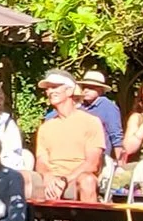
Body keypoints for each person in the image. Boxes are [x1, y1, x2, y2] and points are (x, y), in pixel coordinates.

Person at [30, 71, 108, 203]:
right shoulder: (45, 127)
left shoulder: (91, 122)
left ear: (69, 90)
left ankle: (90, 216)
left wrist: (64, 180)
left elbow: (92, 164)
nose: (50, 91)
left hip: (77, 178)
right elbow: (41, 161)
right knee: (21, 177)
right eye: (48, 88)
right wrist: (48, 176)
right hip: (52, 178)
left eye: (55, 87)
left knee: (87, 180)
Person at [76, 69, 127, 153]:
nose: (86, 90)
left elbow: (116, 136)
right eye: (84, 87)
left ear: (100, 90)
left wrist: (119, 159)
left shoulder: (108, 107)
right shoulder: (79, 106)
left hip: (100, 155)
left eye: (91, 88)